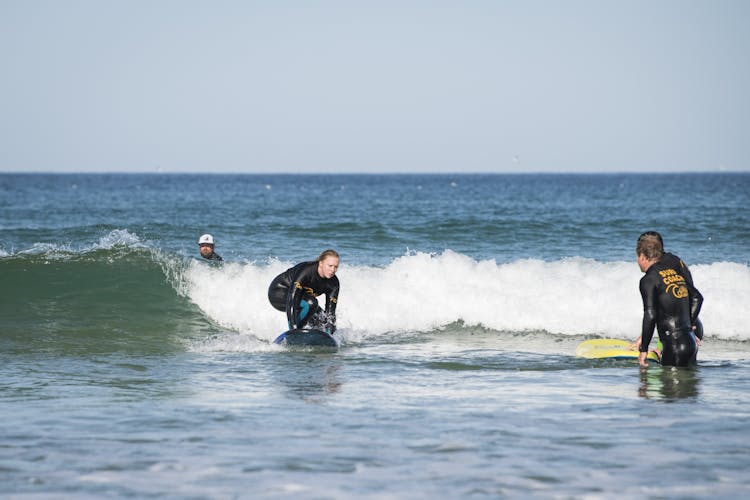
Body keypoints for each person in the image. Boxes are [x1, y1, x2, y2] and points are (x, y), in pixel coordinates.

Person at [631, 232, 704, 354]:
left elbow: (656, 312)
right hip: (689, 326)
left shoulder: (660, 270)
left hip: (687, 326)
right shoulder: (673, 261)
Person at [268, 249, 340, 333]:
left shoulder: (333, 283)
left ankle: (312, 336)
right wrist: (293, 328)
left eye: (336, 267)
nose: (333, 270)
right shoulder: (306, 271)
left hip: (301, 298)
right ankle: (297, 330)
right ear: (321, 263)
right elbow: (292, 300)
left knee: (322, 319)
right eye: (330, 266)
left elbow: (330, 314)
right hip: (279, 292)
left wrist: (330, 335)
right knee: (311, 303)